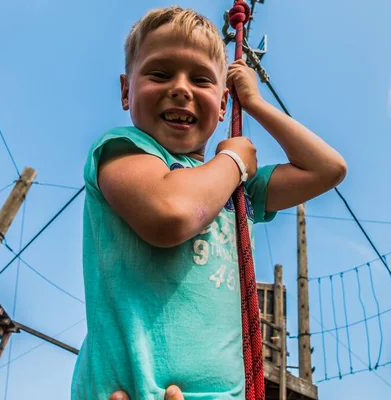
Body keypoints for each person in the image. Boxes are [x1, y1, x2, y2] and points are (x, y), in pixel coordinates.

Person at [71, 5, 347, 400]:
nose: (181, 88)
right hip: (135, 391)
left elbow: (329, 168)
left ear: (221, 106)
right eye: (160, 73)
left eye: (201, 79)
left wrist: (253, 104)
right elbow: (171, 214)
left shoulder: (239, 193)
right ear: (125, 91)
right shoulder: (121, 152)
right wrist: (233, 160)